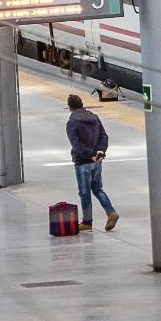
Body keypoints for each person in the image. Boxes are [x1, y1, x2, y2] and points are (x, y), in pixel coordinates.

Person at [65, 94, 118, 232]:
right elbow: (104, 136)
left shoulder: (72, 123)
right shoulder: (94, 118)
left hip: (83, 162)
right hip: (97, 162)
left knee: (84, 193)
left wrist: (90, 155)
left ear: (70, 107)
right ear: (82, 104)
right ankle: (111, 212)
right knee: (98, 189)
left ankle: (87, 222)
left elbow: (76, 145)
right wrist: (100, 152)